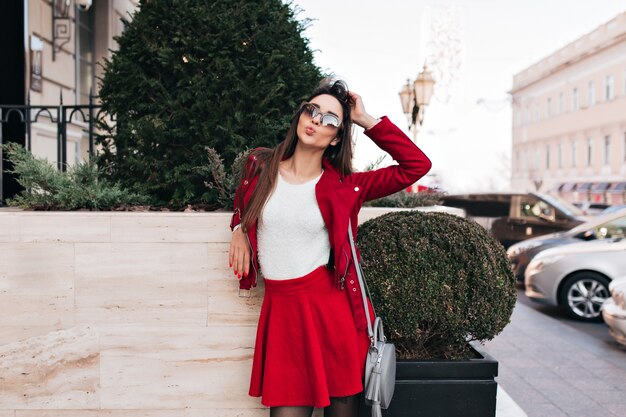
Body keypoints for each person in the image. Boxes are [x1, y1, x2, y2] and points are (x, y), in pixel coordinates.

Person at [228, 79, 431, 417]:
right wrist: (238, 228)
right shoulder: (261, 165)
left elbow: (416, 166)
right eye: (312, 110)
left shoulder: (344, 187)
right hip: (282, 313)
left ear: (336, 138)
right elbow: (242, 203)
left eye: (330, 119)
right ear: (300, 117)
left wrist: (365, 119)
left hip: (332, 313)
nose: (317, 120)